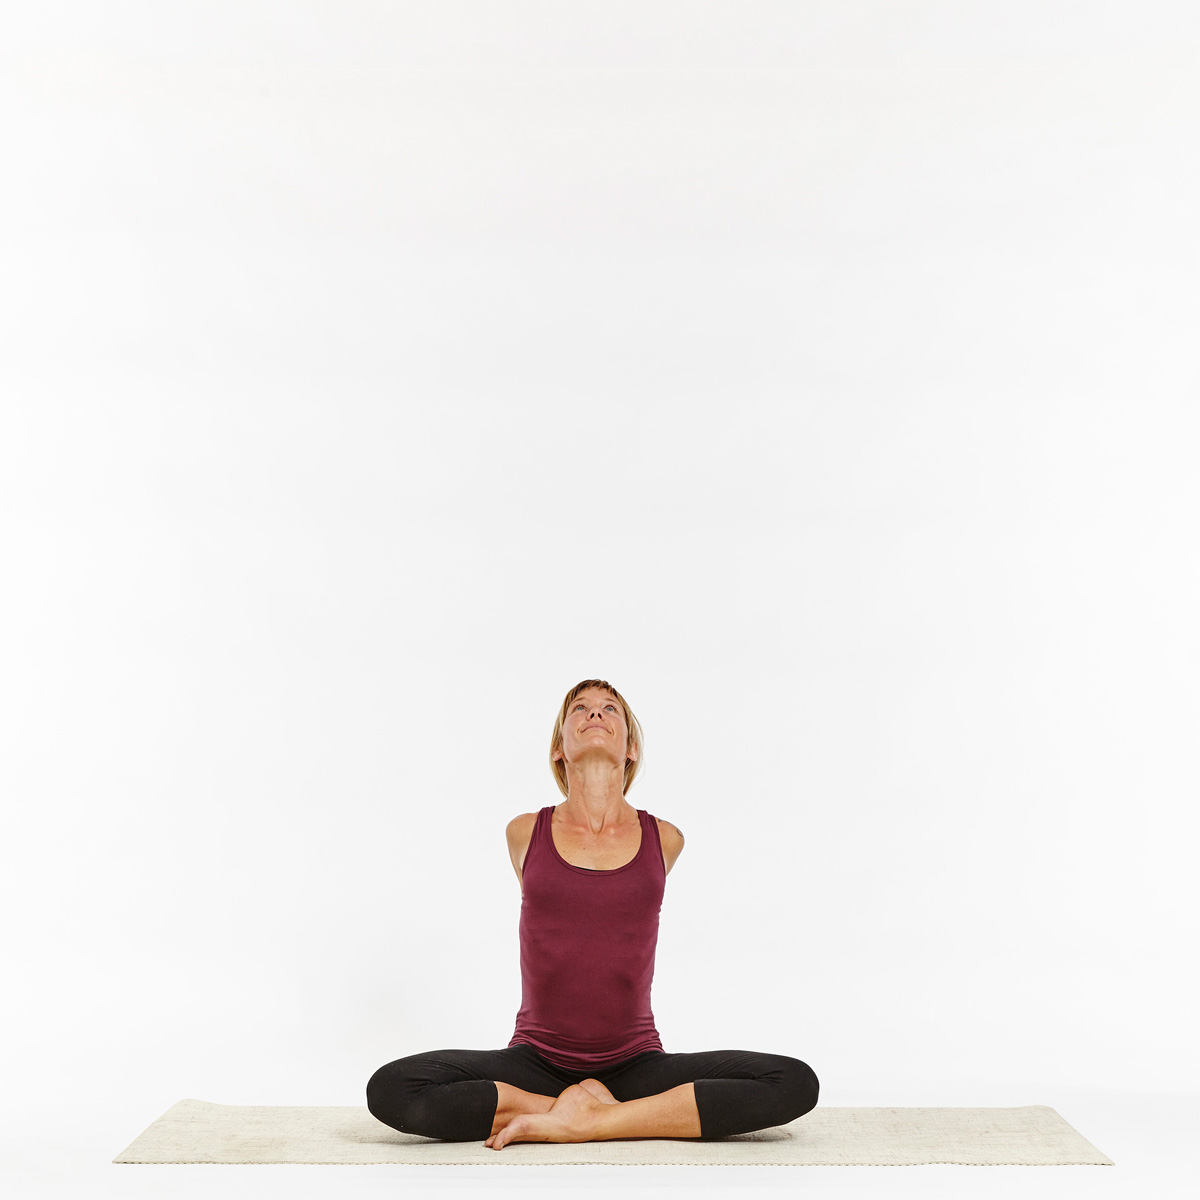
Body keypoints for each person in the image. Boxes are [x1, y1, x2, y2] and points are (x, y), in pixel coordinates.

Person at [366, 678, 819, 1148]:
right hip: (535, 1062)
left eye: (610, 709)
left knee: (794, 1081)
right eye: (579, 709)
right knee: (393, 1088)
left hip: (636, 1064)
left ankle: (593, 1120)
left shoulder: (664, 838)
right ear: (559, 747)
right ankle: (587, 1112)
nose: (595, 714)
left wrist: (591, 1118)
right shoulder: (525, 833)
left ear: (632, 747)